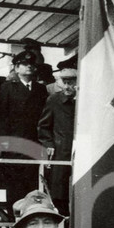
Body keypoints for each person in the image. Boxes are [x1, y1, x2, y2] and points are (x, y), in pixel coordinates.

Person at [0, 49, 50, 202]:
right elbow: (2, 117)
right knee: (14, 184)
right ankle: (15, 216)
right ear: (16, 67)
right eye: (24, 64)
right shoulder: (7, 87)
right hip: (14, 143)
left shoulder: (40, 89)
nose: (29, 67)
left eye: (32, 65)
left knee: (32, 182)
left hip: (34, 142)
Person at [37, 57, 78, 215]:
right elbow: (43, 127)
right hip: (62, 154)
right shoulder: (54, 100)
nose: (68, 86)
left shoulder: (87, 101)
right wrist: (49, 145)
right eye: (65, 82)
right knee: (60, 196)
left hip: (82, 156)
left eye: (72, 82)